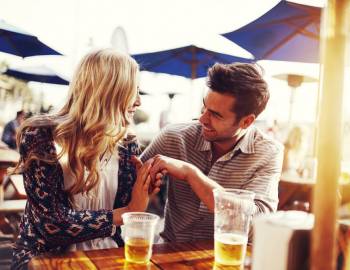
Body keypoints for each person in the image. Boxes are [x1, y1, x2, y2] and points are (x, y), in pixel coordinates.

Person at [11, 49, 160, 270]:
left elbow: (127, 206)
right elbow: (52, 226)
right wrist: (126, 212)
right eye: (132, 89)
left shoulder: (126, 142)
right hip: (46, 258)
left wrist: (143, 188)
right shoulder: (41, 136)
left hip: (108, 254)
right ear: (107, 91)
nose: (138, 101)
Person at [141, 63, 284, 242]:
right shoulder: (174, 137)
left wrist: (191, 174)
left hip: (229, 258)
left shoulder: (268, 152)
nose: (202, 119)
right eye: (204, 107)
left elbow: (256, 226)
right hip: (169, 253)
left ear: (246, 122)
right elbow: (126, 186)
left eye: (216, 115)